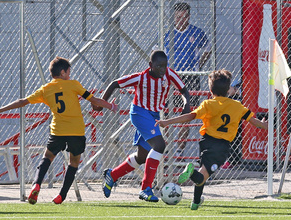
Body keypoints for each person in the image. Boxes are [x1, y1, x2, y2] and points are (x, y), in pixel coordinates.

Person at [0, 57, 118, 205]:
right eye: (69, 71)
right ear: (63, 72)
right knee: (74, 162)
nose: (70, 74)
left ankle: (36, 184)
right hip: (76, 131)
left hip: (58, 131)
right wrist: (111, 107)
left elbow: (22, 102)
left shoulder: (45, 89)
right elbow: (95, 100)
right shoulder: (73, 85)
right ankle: (61, 196)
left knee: (48, 157)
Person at [155, 69, 268, 210]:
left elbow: (190, 116)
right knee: (202, 176)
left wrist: (167, 122)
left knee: (203, 173)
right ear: (228, 90)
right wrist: (263, 125)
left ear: (210, 89)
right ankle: (190, 172)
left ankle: (196, 202)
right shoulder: (237, 106)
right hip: (221, 147)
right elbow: (253, 120)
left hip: (206, 142)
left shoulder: (207, 104)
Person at [93, 50, 190, 202]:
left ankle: (112, 175)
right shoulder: (140, 77)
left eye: (165, 66)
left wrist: (186, 104)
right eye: (159, 66)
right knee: (159, 145)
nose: (162, 70)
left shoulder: (169, 74)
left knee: (141, 157)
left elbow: (184, 90)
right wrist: (102, 103)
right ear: (150, 65)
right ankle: (146, 188)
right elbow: (114, 84)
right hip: (139, 113)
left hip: (154, 116)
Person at [164, 2, 211, 158]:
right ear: (174, 17)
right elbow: (157, 53)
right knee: (166, 114)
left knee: (187, 113)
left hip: (190, 77)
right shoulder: (167, 34)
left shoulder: (197, 33)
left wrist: (197, 65)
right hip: (171, 78)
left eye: (185, 17)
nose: (182, 20)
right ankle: (165, 149)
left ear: (189, 16)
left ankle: (179, 151)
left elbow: (207, 50)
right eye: (178, 17)